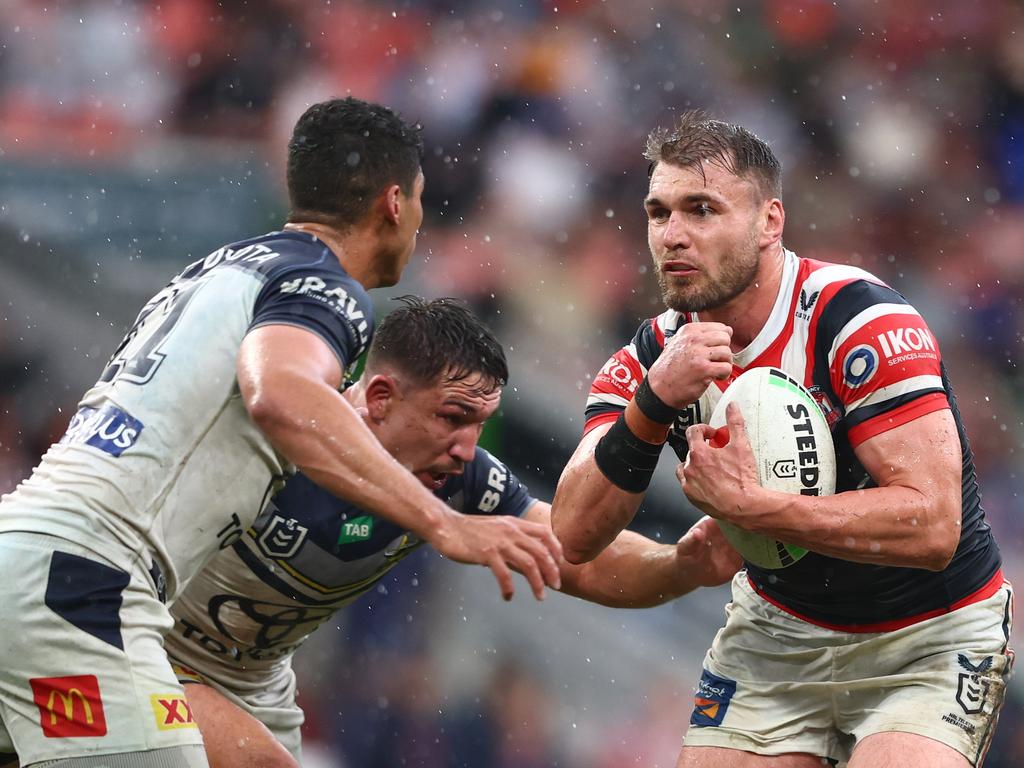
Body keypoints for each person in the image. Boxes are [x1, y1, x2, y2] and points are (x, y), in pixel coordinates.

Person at [0, 97, 561, 768]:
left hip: (33, 556)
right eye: (419, 201)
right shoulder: (324, 288)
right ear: (392, 203)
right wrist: (442, 522)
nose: (419, 222)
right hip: (83, 582)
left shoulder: (217, 268)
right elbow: (283, 391)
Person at [550, 111, 1012, 768]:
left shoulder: (857, 321)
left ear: (770, 221)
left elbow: (935, 527)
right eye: (659, 213)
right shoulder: (650, 357)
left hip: (929, 636)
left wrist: (758, 513)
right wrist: (652, 405)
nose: (673, 235)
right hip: (778, 633)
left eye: (702, 209)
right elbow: (571, 536)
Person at [161, 296, 742, 768]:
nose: (469, 448)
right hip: (145, 650)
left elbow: (575, 555)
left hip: (253, 682)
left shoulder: (459, 480)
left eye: (480, 424)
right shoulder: (277, 439)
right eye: (452, 417)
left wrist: (681, 565)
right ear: (381, 398)